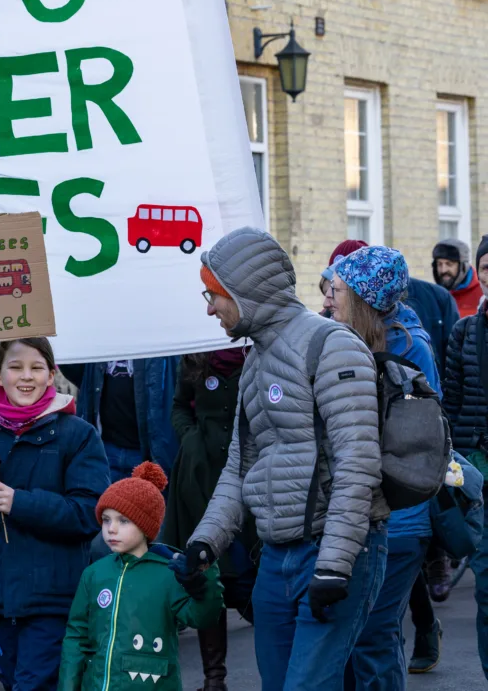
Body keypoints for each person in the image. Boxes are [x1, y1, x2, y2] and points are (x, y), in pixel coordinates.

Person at [184, 227, 387, 691]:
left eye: (214, 294)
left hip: (334, 552)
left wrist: (335, 564)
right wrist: (205, 542)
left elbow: (358, 461)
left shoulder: (330, 345)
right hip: (276, 558)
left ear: (246, 291)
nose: (209, 307)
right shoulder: (255, 360)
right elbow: (239, 467)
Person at [0, 338, 110, 691]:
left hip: (53, 595)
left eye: (37, 368)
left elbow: (87, 513)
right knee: (15, 681)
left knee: (32, 685)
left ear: (52, 375)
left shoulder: (77, 435)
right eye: (15, 367)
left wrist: (21, 503)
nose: (26, 377)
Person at [327, 247, 440, 691]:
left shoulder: (406, 350)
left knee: (373, 637)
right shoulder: (360, 340)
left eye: (338, 290)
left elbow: (409, 444)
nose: (329, 299)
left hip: (399, 519)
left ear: (363, 298)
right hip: (367, 515)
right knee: (363, 637)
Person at [58, 462, 224, 691]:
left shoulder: (169, 572)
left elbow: (202, 618)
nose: (111, 529)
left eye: (123, 520)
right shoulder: (94, 573)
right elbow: (77, 636)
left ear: (146, 525)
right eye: (106, 519)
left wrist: (206, 578)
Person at [161, 350, 258, 691]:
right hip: (200, 475)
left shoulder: (256, 350)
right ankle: (214, 678)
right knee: (205, 572)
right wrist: (191, 438)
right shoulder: (194, 355)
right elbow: (178, 406)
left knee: (251, 573)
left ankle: (281, 672)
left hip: (249, 470)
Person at [442, 233, 488, 681]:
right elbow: (451, 403)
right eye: (487, 266)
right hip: (479, 465)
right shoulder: (465, 330)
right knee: (487, 585)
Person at [60, 357, 180, 481]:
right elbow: (77, 371)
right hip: (105, 449)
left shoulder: (162, 345)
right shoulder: (98, 341)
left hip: (148, 453)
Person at [433, 238, 482, 317]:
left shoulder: (483, 293)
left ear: (463, 266)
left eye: (449, 264)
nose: (443, 270)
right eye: (439, 264)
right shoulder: (435, 295)